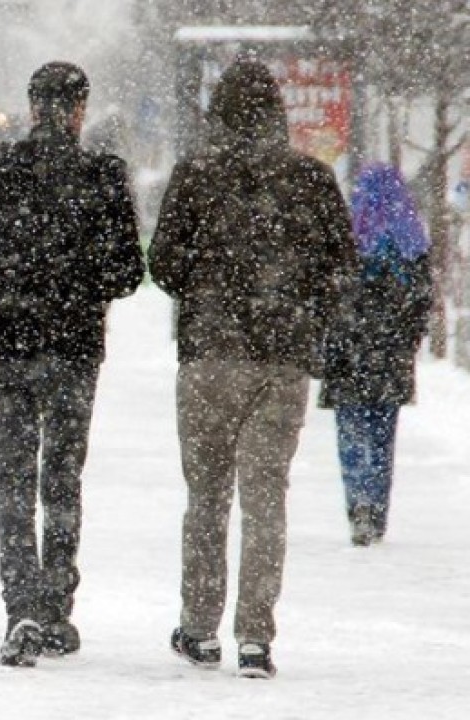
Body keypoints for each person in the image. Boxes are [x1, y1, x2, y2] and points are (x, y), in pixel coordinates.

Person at [148, 58, 358, 679]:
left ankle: (198, 627)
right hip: (282, 359)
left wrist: (208, 286)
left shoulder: (196, 174)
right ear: (277, 113)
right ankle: (255, 638)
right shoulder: (311, 178)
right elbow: (342, 266)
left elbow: (163, 263)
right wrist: (299, 307)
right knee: (266, 499)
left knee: (207, 496)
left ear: (218, 113)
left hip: (210, 355)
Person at [0, 61, 144, 665]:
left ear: (32, 106)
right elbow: (126, 273)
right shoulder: (102, 176)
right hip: (70, 349)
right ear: (80, 110)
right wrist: (75, 281)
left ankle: (21, 609)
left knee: (11, 484)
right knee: (62, 480)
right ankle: (57, 607)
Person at [320, 163, 433, 546]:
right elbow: (421, 301)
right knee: (383, 436)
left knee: (351, 432)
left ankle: (358, 505)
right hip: (391, 354)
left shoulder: (348, 234)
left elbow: (328, 293)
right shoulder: (411, 240)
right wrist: (408, 338)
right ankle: (377, 509)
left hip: (348, 351)